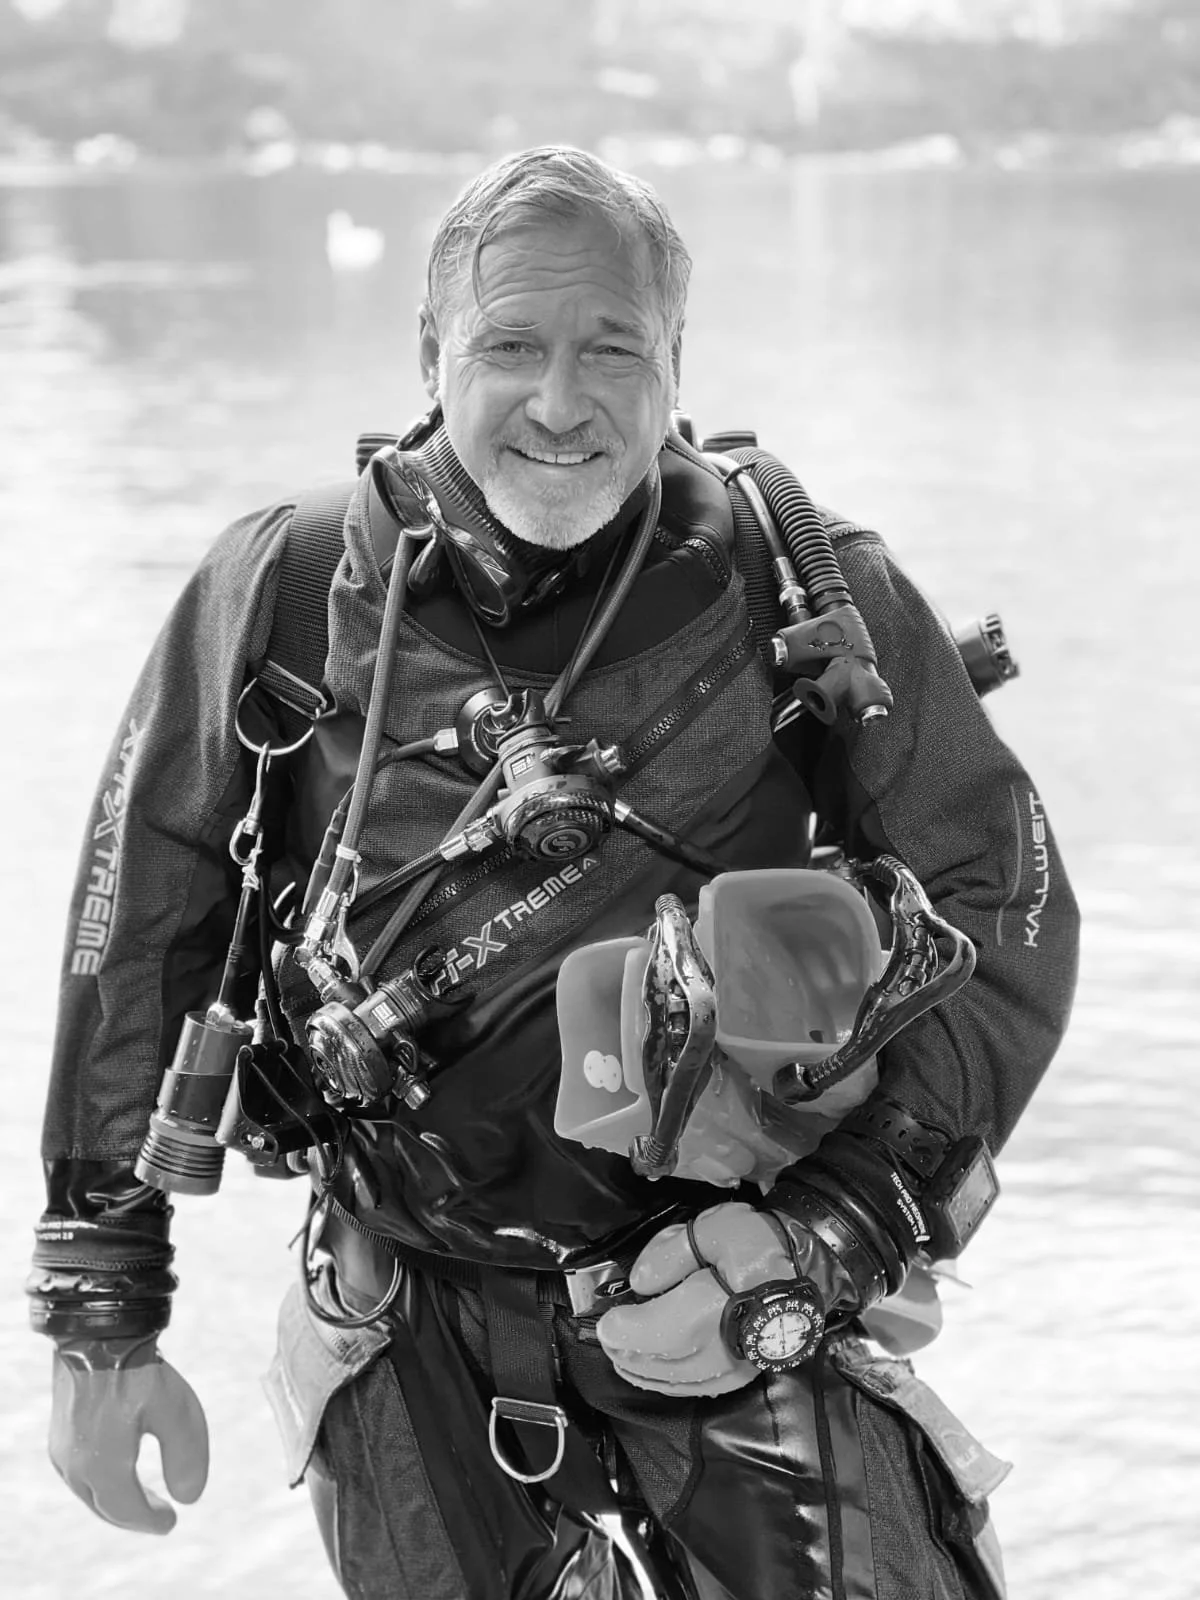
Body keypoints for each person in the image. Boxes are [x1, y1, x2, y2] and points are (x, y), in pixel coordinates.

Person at [29, 145, 1079, 1600]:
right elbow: (136, 927)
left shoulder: (804, 585)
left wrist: (829, 1234)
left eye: (613, 350)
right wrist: (103, 1315)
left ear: (676, 357)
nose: (562, 403)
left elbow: (1004, 909)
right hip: (401, 1306)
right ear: (431, 349)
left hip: (730, 1283)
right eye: (511, 346)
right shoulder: (287, 584)